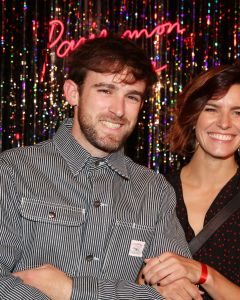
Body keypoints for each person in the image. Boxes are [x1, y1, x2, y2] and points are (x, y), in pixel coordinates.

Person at [0, 36, 203, 300]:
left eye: (131, 96)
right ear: (73, 92)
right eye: (105, 91)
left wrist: (69, 290)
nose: (118, 110)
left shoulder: (153, 191)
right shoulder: (14, 172)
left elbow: (181, 296)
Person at [140, 65, 240, 299]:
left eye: (238, 112)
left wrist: (205, 274)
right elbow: (115, 279)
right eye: (212, 109)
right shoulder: (147, 191)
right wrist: (149, 286)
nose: (225, 123)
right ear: (193, 117)